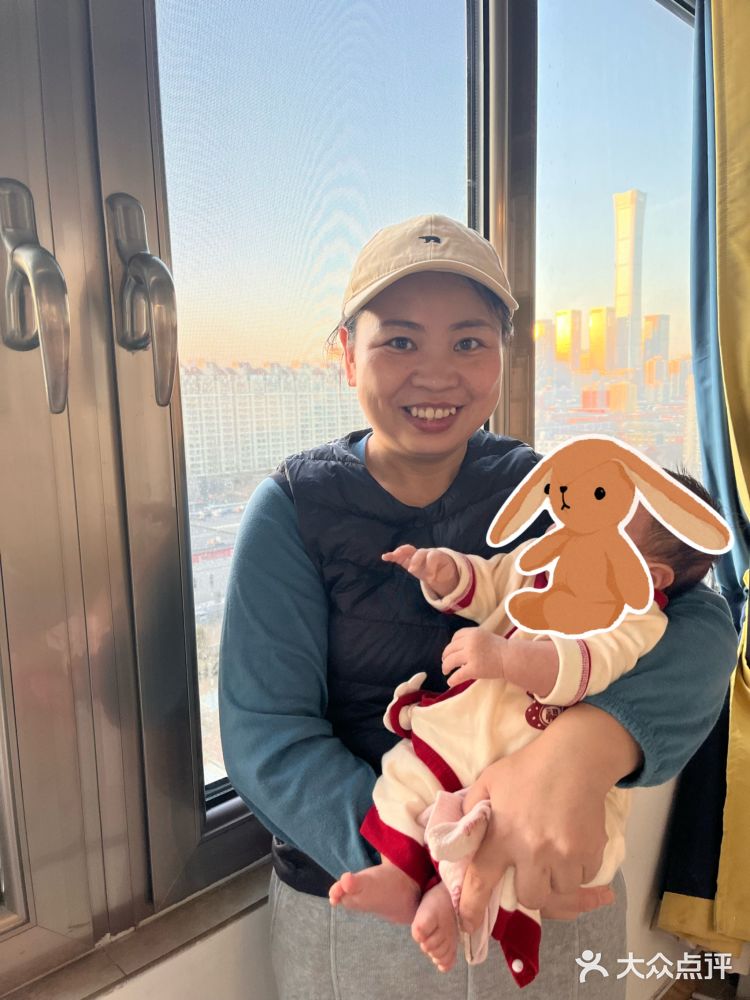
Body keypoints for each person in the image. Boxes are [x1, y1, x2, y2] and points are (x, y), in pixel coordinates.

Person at [219, 214, 738, 1000]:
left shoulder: (550, 489)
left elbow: (697, 617)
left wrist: (581, 751)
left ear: (502, 356)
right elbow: (269, 737)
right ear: (346, 353)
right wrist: (433, 856)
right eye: (400, 341)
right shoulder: (293, 509)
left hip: (545, 884)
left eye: (468, 341)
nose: (437, 375)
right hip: (368, 902)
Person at [328, 474, 725, 987]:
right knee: (406, 774)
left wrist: (507, 659)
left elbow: (585, 666)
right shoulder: (546, 560)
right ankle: (399, 872)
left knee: (533, 844)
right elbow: (495, 580)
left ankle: (453, 898)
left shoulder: (635, 619)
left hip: (533, 738)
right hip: (474, 723)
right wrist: (450, 575)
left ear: (648, 576)